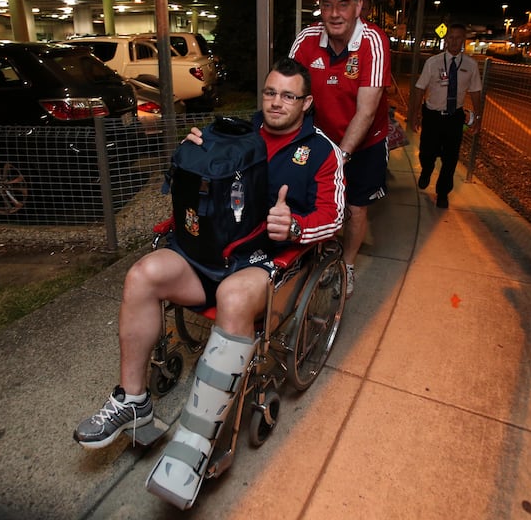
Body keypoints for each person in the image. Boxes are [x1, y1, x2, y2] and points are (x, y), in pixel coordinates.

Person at [73, 56, 345, 509]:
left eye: (288, 96)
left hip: (268, 263)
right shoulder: (232, 133)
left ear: (307, 102)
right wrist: (194, 153)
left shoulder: (321, 151)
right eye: (270, 92)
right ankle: (133, 402)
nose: (276, 103)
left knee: (234, 295)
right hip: (212, 255)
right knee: (144, 274)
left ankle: (197, 441)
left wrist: (295, 226)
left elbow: (333, 217)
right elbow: (191, 182)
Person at [289, 0, 391, 299]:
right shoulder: (307, 39)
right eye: (327, 4)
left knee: (355, 207)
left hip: (363, 143)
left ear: (358, 6)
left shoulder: (373, 41)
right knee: (313, 198)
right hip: (322, 136)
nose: (334, 13)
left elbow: (367, 109)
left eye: (343, 3)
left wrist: (341, 156)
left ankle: (346, 264)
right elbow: (287, 88)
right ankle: (316, 254)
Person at [410, 22, 483, 209]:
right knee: (427, 152)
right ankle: (426, 170)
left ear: (463, 41)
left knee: (451, 158)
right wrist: (415, 114)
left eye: (458, 37)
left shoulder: (471, 65)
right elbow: (419, 88)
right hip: (432, 116)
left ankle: (442, 192)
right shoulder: (432, 62)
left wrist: (478, 117)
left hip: (454, 117)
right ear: (445, 39)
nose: (454, 41)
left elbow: (475, 92)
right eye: (450, 37)